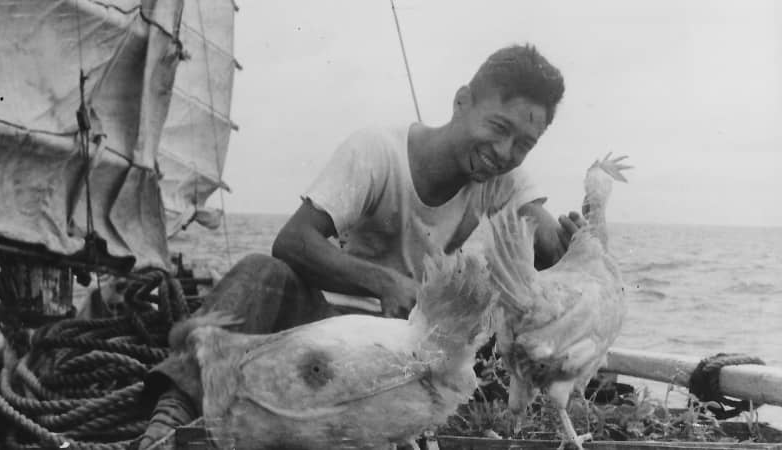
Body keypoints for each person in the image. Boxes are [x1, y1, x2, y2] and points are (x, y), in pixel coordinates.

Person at [197, 43, 586, 334]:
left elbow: (545, 238)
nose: (504, 152)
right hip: (322, 323)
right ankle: (175, 407)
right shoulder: (377, 151)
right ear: (462, 102)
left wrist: (574, 255)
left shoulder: (503, 178)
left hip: (406, 343)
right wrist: (384, 284)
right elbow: (292, 242)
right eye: (499, 128)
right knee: (259, 273)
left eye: (524, 144)